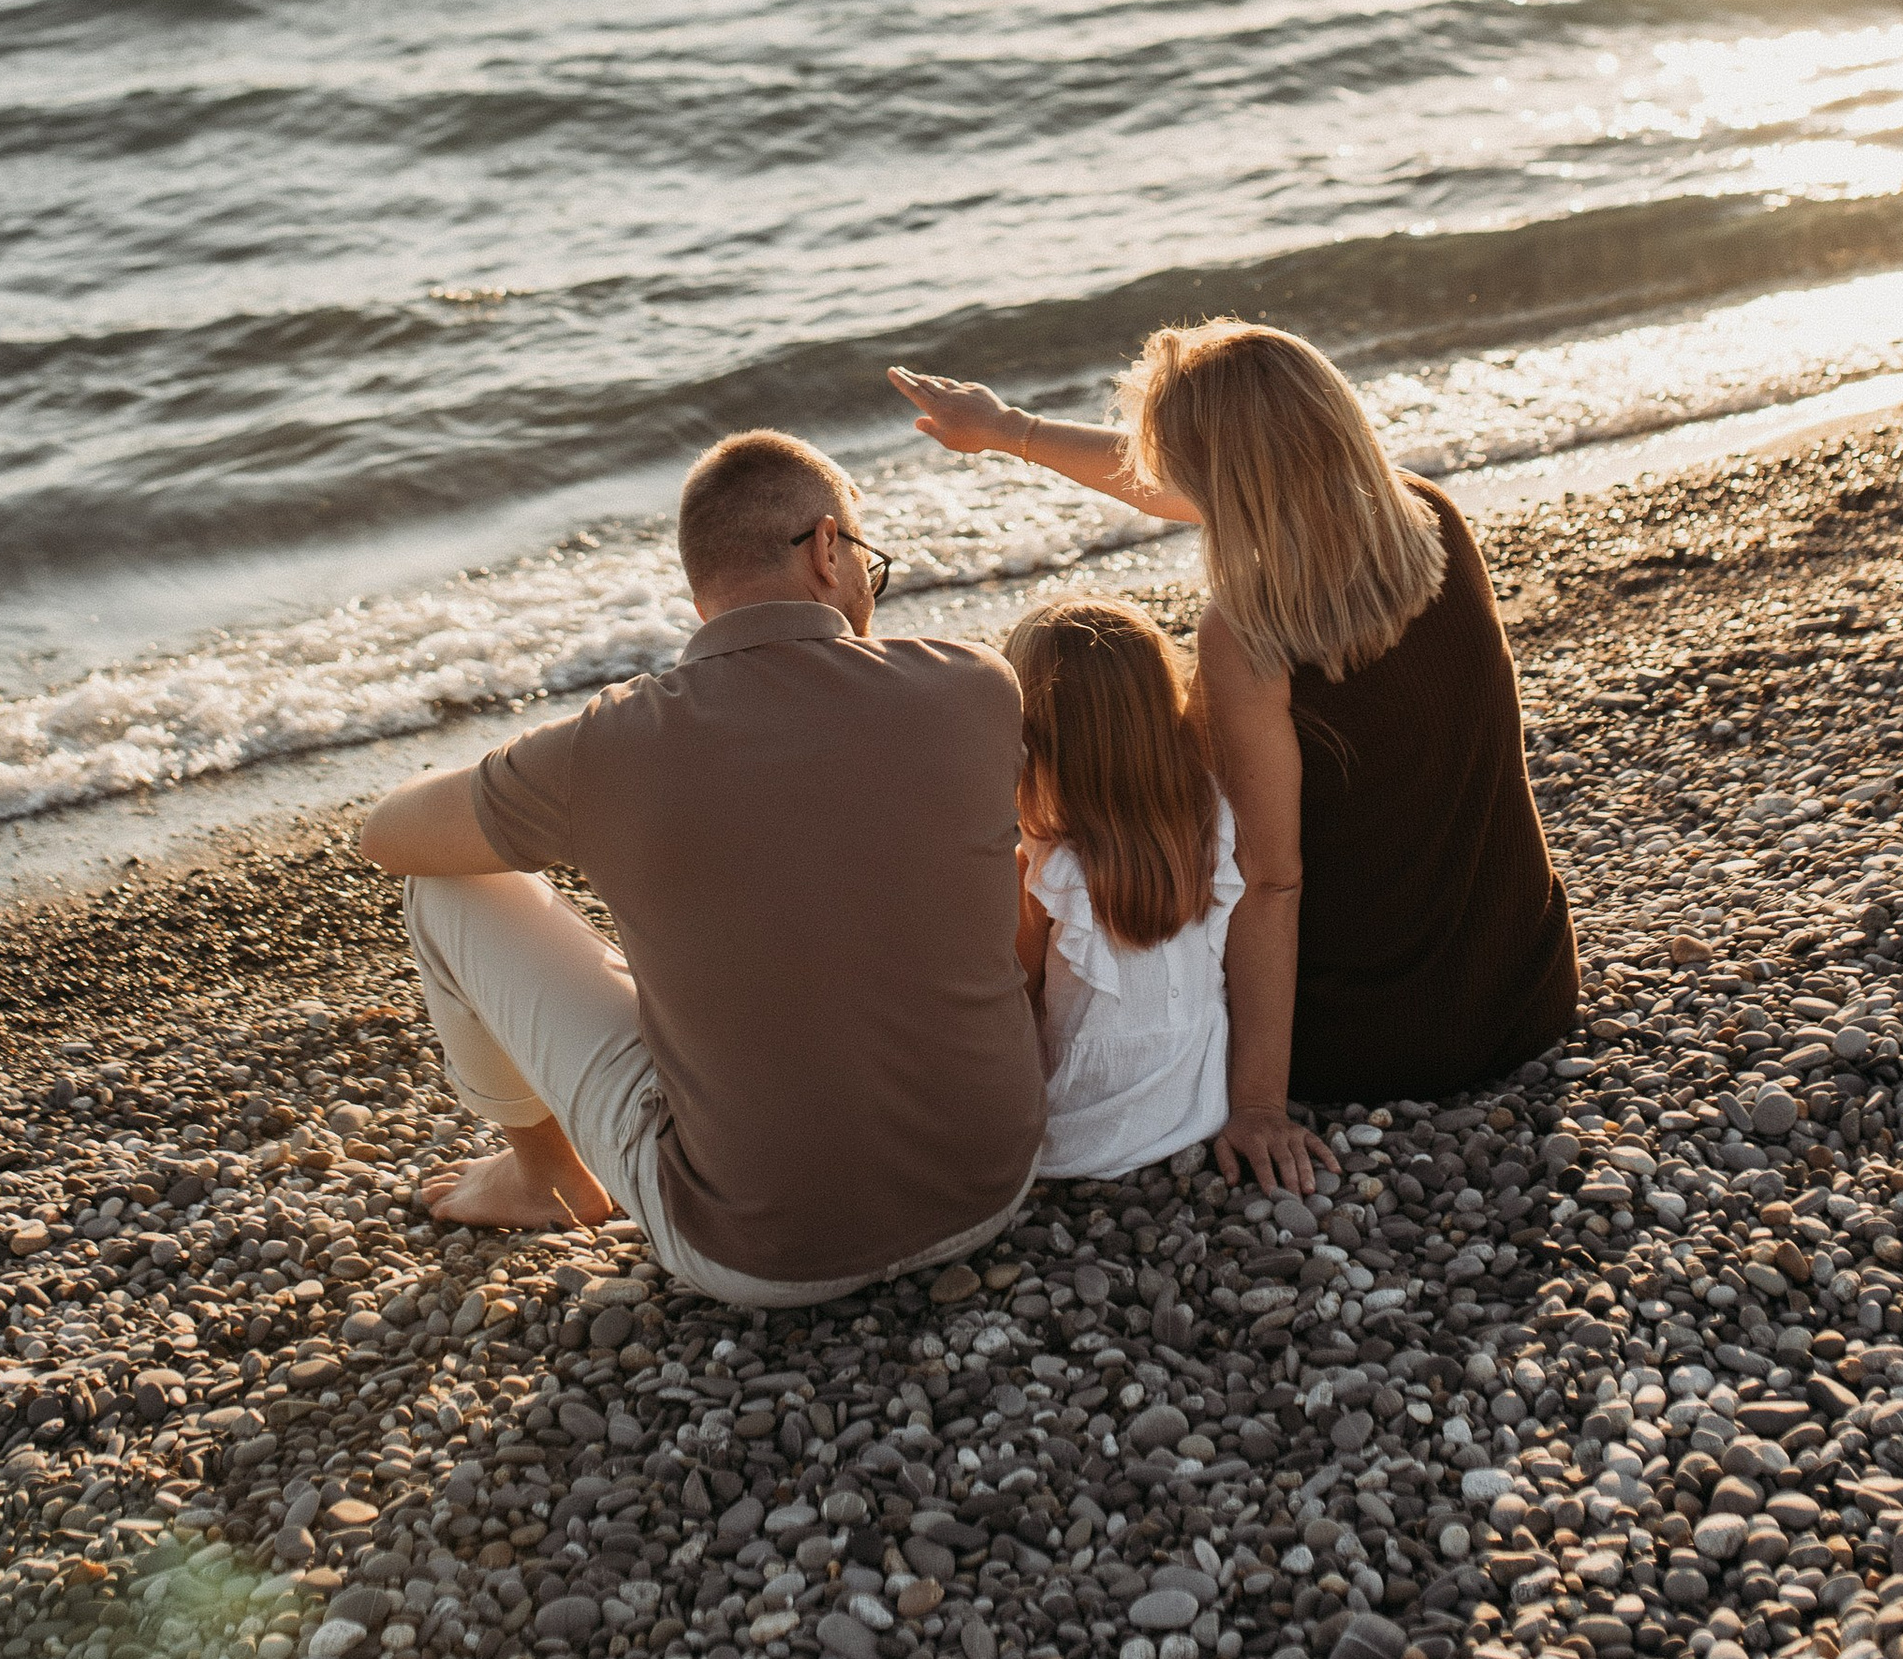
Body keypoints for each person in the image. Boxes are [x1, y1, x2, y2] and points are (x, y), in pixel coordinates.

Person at [358, 427, 1044, 1305]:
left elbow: (386, 835)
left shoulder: (612, 745)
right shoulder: (974, 685)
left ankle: (541, 1175)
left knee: (445, 888)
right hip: (992, 1186)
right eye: (868, 560)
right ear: (829, 548)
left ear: (700, 589)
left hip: (758, 1253)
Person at [890, 323, 1577, 1178]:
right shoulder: (1428, 516)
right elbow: (1174, 487)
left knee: (1120, 778)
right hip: (1529, 984)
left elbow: (1273, 877)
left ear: (1217, 479)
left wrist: (1256, 1103)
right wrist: (1008, 429)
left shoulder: (1249, 629)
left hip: (1376, 1038)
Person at [1006, 594, 1257, 1181]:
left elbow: (1016, 991)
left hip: (1080, 1120)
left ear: (1036, 737)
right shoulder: (1214, 822)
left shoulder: (1046, 867)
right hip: (1198, 1096)